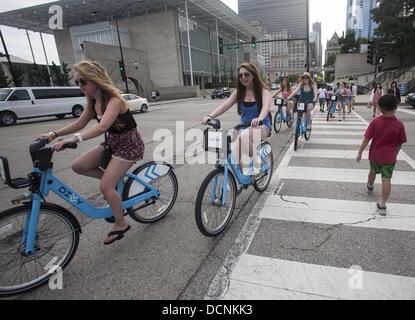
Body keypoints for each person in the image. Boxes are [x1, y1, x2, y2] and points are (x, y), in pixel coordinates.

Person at [39, 60, 145, 245]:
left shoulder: (114, 100)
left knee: (105, 186)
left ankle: (121, 223)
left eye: (83, 82)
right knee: (79, 166)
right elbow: (79, 124)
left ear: (95, 80)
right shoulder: (93, 102)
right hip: (112, 143)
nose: (80, 86)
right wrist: (53, 134)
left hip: (129, 145)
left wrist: (75, 139)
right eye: (77, 82)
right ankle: (113, 181)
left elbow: (103, 126)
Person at [202, 62, 272, 176]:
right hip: (243, 125)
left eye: (246, 74)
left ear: (253, 75)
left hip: (262, 125)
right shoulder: (239, 93)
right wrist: (210, 116)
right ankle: (239, 176)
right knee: (231, 146)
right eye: (241, 75)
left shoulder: (263, 91)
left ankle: (257, 165)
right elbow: (225, 105)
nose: (243, 77)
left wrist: (259, 118)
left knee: (243, 137)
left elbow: (266, 107)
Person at [356, 94, 407, 214]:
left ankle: (370, 185)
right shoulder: (399, 124)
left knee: (373, 171)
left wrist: (360, 152)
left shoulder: (375, 122)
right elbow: (400, 143)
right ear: (396, 107)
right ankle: (382, 204)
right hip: (390, 157)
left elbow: (366, 139)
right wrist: (395, 153)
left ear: (380, 108)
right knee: (386, 179)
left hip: (375, 155)